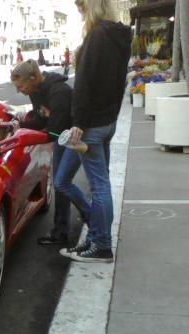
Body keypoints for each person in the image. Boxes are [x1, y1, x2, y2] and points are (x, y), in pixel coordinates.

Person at [58, 0, 131, 263]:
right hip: (107, 121)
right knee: (100, 185)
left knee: (99, 187)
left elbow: (84, 83)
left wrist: (79, 121)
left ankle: (101, 245)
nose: (79, 12)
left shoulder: (97, 35)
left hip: (92, 125)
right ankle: (95, 239)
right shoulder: (119, 36)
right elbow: (119, 81)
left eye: (80, 7)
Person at [11, 59, 88, 246]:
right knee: (60, 185)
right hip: (62, 137)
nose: (19, 91)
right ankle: (61, 231)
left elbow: (54, 129)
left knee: (61, 183)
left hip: (74, 139)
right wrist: (19, 125)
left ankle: (91, 215)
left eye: (21, 86)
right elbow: (40, 119)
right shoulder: (36, 90)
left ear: (34, 78)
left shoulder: (58, 92)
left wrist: (29, 136)